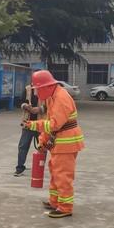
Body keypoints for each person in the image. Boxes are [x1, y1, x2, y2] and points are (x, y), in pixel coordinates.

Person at [23, 70, 84, 219]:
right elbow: (49, 122)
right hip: (60, 142)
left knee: (63, 175)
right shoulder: (52, 96)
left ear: (45, 87)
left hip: (66, 143)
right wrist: (43, 141)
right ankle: (55, 201)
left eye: (37, 89)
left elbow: (54, 124)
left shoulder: (61, 98)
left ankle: (65, 207)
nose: (36, 93)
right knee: (55, 172)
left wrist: (32, 125)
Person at [14, 84, 44, 177]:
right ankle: (20, 168)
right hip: (28, 123)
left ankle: (40, 167)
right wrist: (25, 106)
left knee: (43, 147)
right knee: (23, 145)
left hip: (41, 124)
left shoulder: (45, 89)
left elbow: (50, 105)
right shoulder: (27, 89)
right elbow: (20, 102)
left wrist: (40, 109)